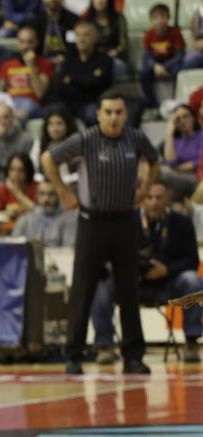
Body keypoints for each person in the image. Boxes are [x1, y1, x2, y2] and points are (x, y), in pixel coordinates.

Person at [42, 90, 160, 376]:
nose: (114, 117)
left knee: (128, 289)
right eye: (108, 112)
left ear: (125, 114)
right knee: (83, 289)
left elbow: (154, 161)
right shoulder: (86, 139)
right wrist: (63, 192)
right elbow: (48, 158)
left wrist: (144, 190)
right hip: (92, 222)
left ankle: (133, 356)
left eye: (118, 112)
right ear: (98, 115)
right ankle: (73, 355)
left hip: (125, 222)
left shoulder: (135, 138)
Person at [91, 183, 203, 364]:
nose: (154, 203)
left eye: (159, 198)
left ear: (167, 199)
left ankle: (191, 341)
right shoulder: (127, 221)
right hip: (132, 282)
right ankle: (104, 345)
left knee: (193, 280)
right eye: (149, 198)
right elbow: (112, 255)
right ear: (142, 200)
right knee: (102, 284)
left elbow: (192, 260)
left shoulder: (181, 222)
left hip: (168, 282)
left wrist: (166, 269)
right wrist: (135, 267)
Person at [55, 22, 114, 127]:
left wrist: (72, 79)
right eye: (78, 35)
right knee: (53, 114)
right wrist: (88, 78)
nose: (81, 39)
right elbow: (60, 86)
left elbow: (100, 85)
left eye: (86, 35)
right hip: (69, 103)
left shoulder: (104, 60)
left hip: (92, 103)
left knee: (92, 114)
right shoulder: (69, 59)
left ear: (94, 38)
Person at [0, 26, 53, 121]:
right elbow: (0, 92)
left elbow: (40, 93)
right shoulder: (7, 64)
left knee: (26, 107)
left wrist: (30, 66)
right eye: (22, 42)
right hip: (10, 102)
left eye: (30, 42)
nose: (25, 46)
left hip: (32, 103)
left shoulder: (45, 63)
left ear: (36, 43)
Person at [140, 4, 185, 110]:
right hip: (156, 62)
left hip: (171, 61)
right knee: (143, 73)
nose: (160, 20)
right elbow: (146, 55)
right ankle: (152, 103)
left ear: (168, 18)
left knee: (178, 72)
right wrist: (155, 65)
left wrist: (164, 66)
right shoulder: (148, 34)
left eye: (162, 16)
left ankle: (175, 101)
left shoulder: (175, 32)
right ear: (151, 20)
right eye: (156, 17)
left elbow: (180, 54)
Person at [12, 181, 78, 246]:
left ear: (58, 195)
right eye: (42, 194)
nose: (46, 199)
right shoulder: (25, 219)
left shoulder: (70, 219)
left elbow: (69, 249)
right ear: (37, 196)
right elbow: (14, 246)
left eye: (51, 194)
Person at [160, 104, 203, 202]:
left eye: (186, 116)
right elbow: (171, 161)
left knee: (164, 172)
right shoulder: (174, 140)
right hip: (178, 177)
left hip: (197, 176)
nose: (182, 121)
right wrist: (169, 132)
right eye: (178, 119)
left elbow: (199, 161)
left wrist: (179, 168)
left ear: (193, 118)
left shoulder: (201, 135)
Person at [32, 107, 79, 186]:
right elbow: (35, 172)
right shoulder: (39, 145)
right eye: (50, 124)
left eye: (59, 123)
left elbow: (79, 174)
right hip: (46, 187)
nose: (54, 128)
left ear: (67, 125)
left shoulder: (76, 145)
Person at [83, 0, 129, 79]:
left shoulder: (119, 18)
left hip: (114, 57)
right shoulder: (86, 20)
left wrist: (116, 51)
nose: (100, 1)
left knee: (112, 67)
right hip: (93, 57)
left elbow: (123, 43)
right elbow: (83, 43)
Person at [0, 152, 37, 226]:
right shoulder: (2, 190)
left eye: (21, 170)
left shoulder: (35, 187)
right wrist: (6, 213)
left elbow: (38, 213)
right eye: (12, 169)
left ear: (28, 171)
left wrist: (17, 193)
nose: (16, 174)